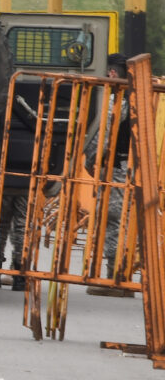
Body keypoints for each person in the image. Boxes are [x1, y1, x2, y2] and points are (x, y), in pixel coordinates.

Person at [86, 53, 133, 298]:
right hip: (131, 166)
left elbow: (106, 133)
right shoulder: (139, 96)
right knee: (125, 221)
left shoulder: (120, 99)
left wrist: (90, 158)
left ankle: (115, 279)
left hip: (117, 167)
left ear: (113, 73)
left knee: (113, 220)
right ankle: (122, 276)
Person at [0, 194, 27, 290]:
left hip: (5, 185)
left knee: (0, 226)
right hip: (27, 186)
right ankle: (20, 276)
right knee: (23, 225)